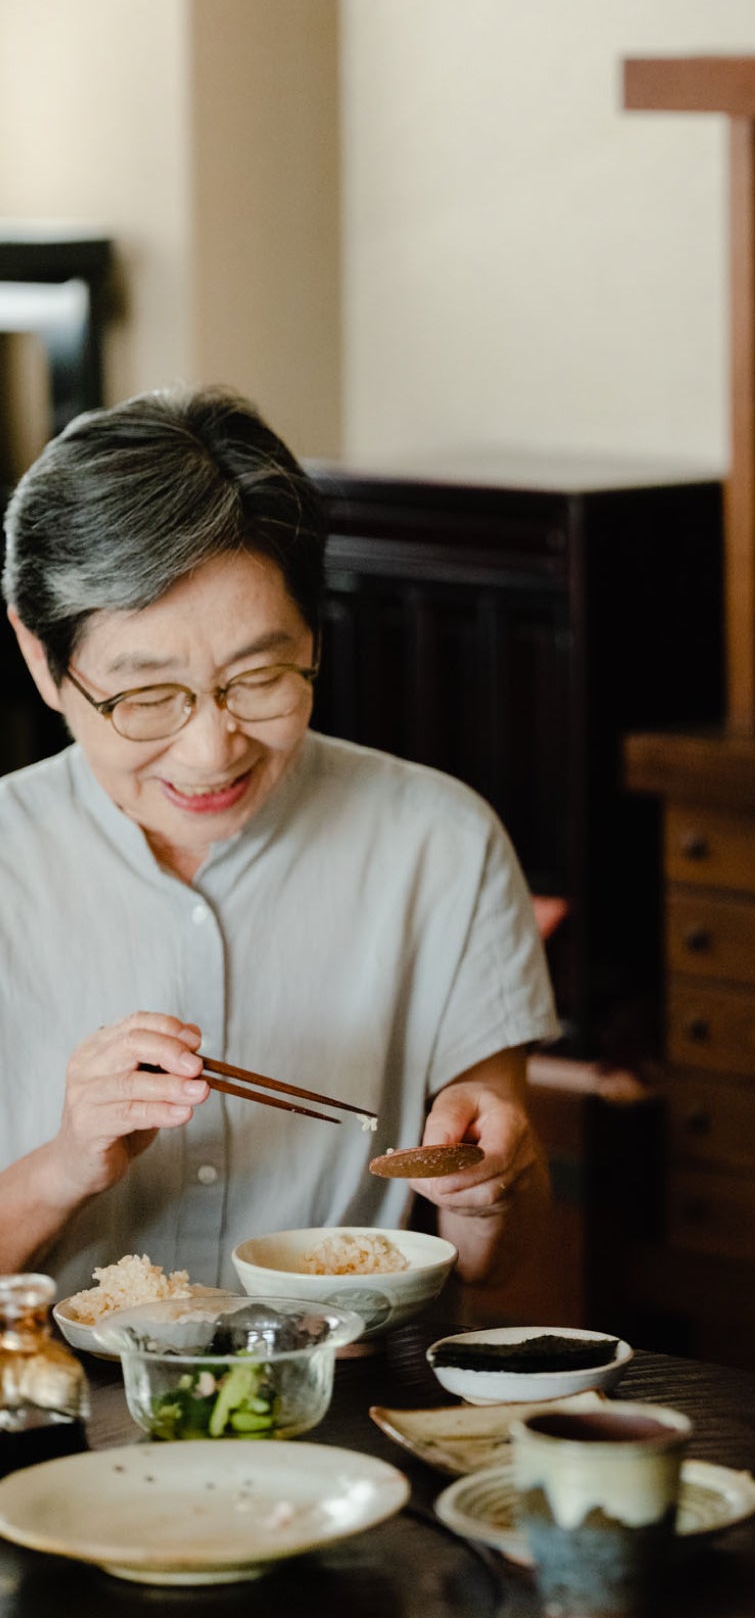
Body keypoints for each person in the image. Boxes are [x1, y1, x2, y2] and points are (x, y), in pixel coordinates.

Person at [0, 387, 559, 1298]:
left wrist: (487, 1185)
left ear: (314, 637)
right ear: (40, 658)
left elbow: (500, 1259)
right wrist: (66, 1164)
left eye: (259, 678)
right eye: (147, 696)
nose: (212, 748)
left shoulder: (440, 844)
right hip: (51, 1411)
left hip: (340, 1401)